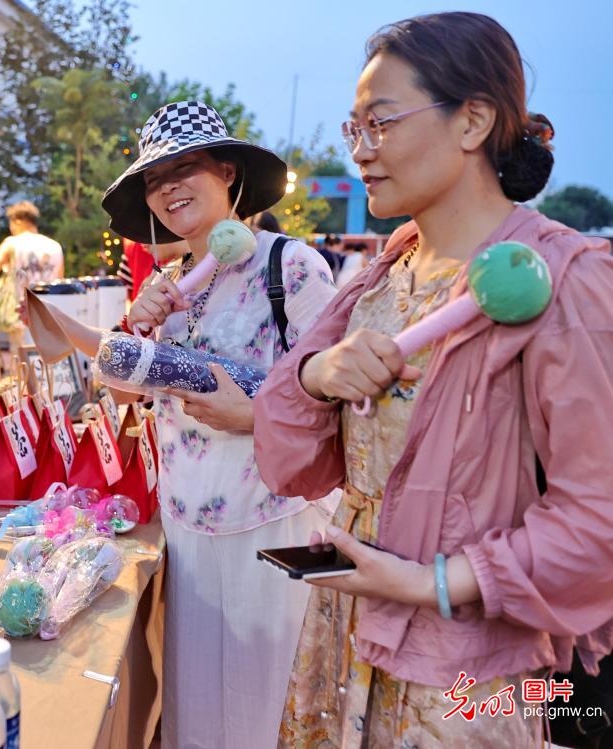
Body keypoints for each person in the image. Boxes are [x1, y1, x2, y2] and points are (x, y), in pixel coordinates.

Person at [253, 13, 613, 747]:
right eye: (353, 130)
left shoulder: (562, 279)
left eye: (379, 125)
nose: (360, 152)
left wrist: (429, 583)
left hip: (467, 676)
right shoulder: (382, 276)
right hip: (345, 632)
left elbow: (599, 517)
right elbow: (283, 452)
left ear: (473, 120)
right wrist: (319, 375)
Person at [100, 101, 340, 748]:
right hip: (188, 525)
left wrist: (254, 415)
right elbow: (126, 393)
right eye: (156, 178)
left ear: (228, 173)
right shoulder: (167, 284)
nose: (171, 186)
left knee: (271, 699)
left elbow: (342, 400)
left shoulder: (289, 266)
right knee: (199, 706)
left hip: (274, 516)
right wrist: (140, 324)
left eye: (187, 168)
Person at [0, 200, 64, 349]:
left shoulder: (12, 243)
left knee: (22, 364)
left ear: (17, 221)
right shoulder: (54, 246)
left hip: (21, 316)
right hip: (49, 316)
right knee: (47, 363)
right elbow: (60, 281)